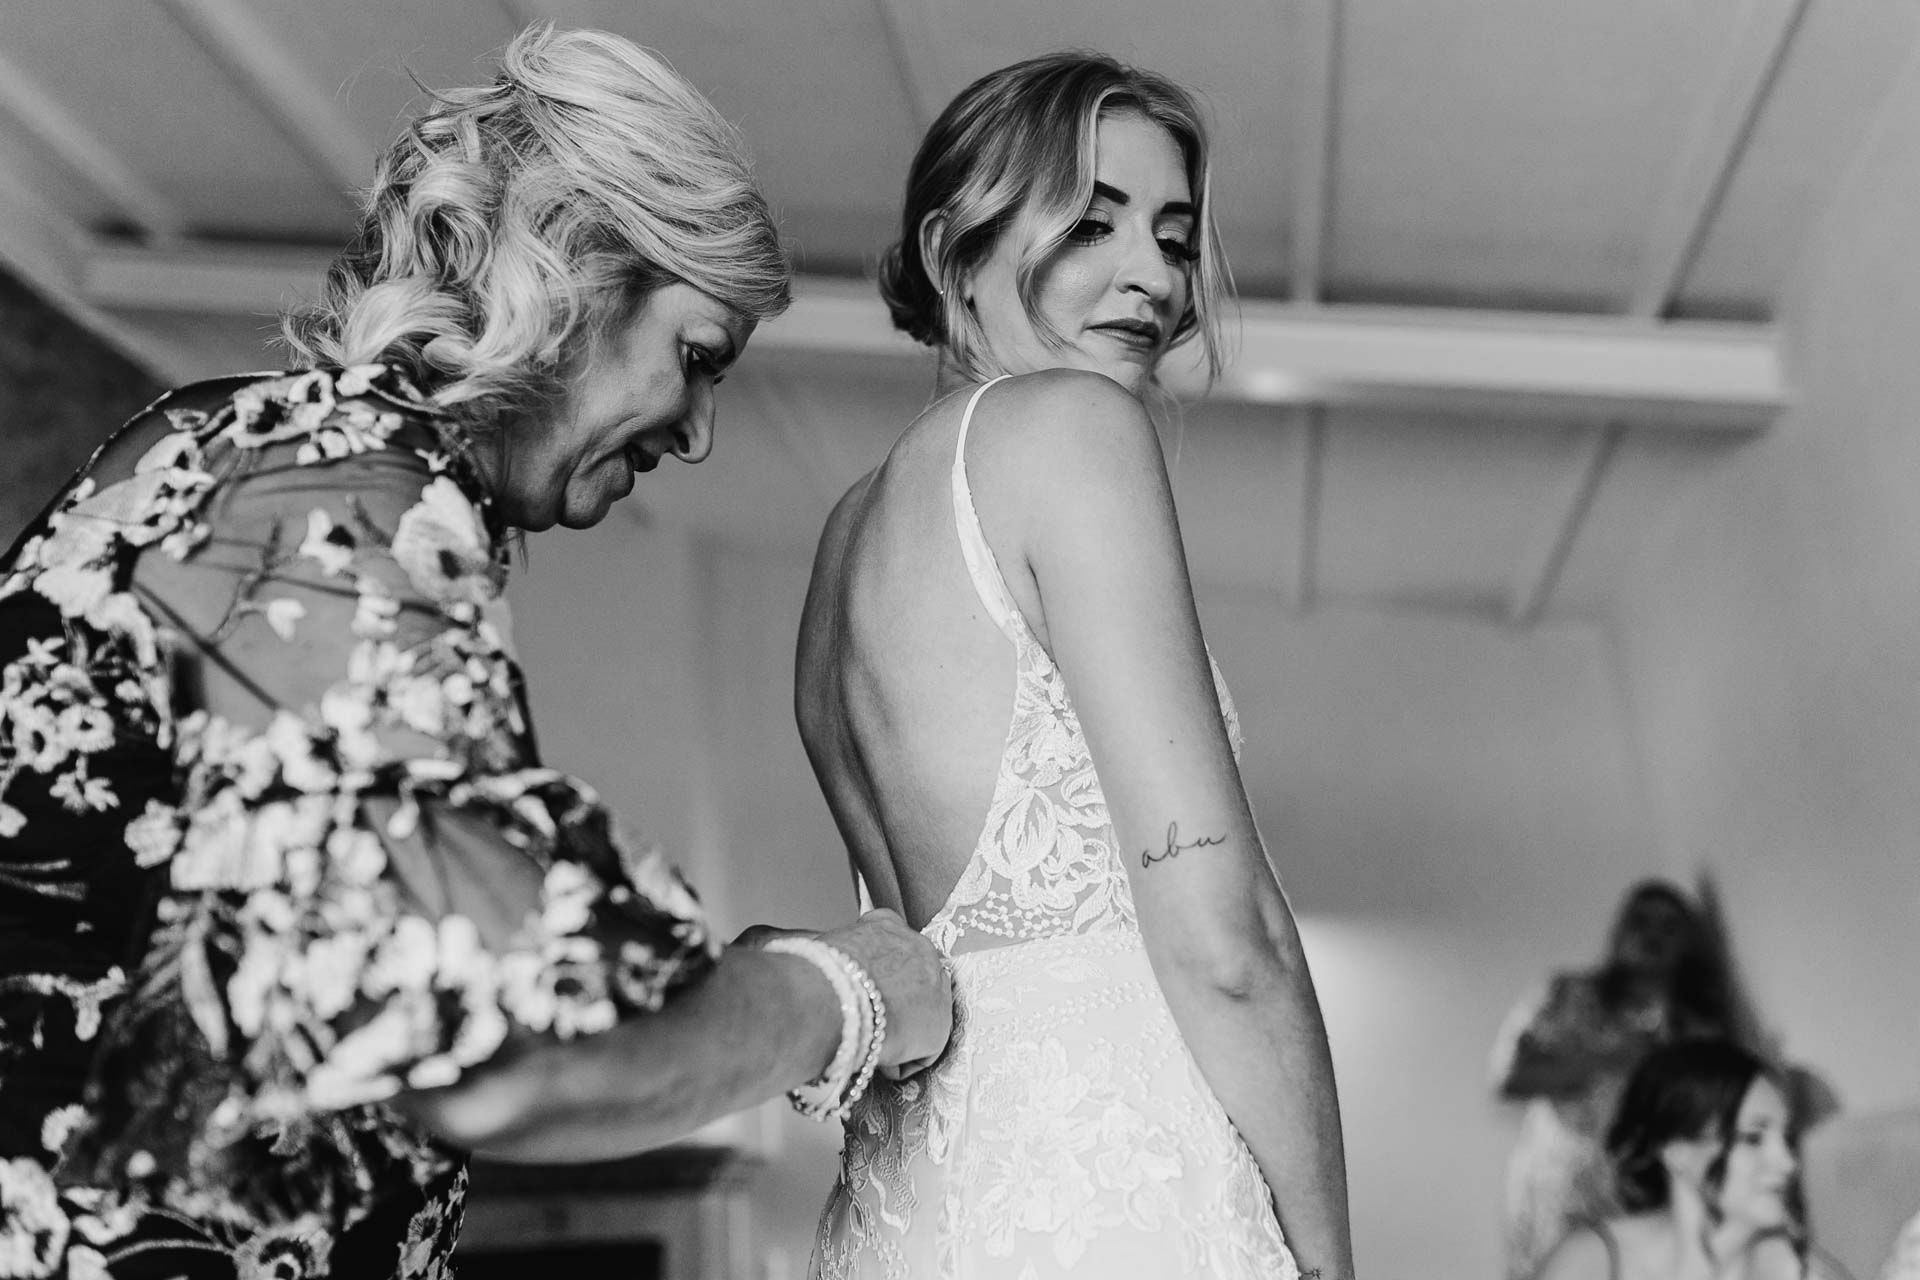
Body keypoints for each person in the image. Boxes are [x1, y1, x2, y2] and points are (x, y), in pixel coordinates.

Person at [0, 26, 950, 1279]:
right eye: (697, 356)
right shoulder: (326, 496)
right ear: (580, 270)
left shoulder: (225, 457)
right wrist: (845, 991)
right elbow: (510, 1060)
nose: (701, 432)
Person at [793, 51, 1352, 1280]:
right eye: (1094, 222)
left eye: (1172, 232)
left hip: (909, 1209)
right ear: (955, 251)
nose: (1155, 274)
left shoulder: (846, 539)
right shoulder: (1071, 429)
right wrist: (1328, 1256)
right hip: (1114, 1196)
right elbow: (1225, 937)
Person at [1493, 879, 1742, 1280]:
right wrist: (1610, 1058)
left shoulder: (1696, 1029)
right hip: (1559, 1195)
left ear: (1687, 945)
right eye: (1641, 920)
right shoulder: (1567, 995)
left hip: (1647, 1204)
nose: (1653, 934)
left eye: (1669, 926)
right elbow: (1509, 1077)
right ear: (1620, 930)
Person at [1535, 1040, 1831, 1280]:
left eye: (1788, 1140)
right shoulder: (1590, 1264)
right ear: (1678, 1151)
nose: (1788, 1162)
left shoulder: (1796, 1270)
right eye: (1753, 1138)